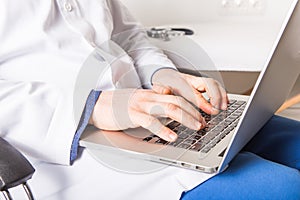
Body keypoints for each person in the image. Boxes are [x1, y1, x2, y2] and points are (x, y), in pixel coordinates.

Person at [0, 0, 299, 199]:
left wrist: (162, 74)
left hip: (148, 111)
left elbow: (125, 35)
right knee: (284, 189)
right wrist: (91, 106)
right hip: (63, 150)